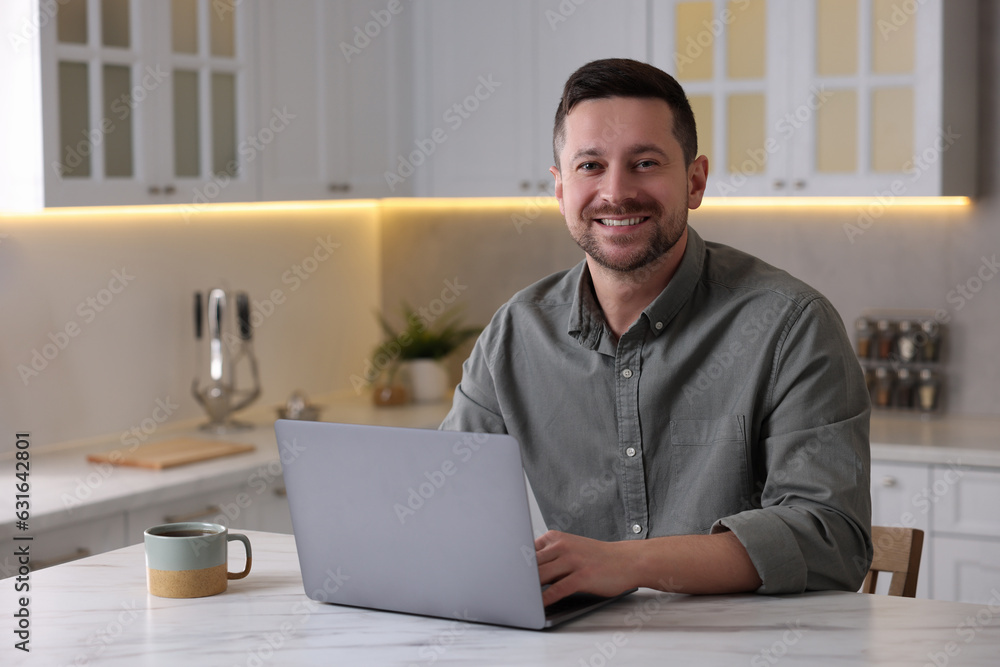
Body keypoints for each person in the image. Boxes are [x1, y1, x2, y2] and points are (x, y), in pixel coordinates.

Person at [440, 58, 872, 606]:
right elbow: (446, 509)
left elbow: (831, 539)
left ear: (695, 182)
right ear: (559, 189)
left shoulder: (791, 325)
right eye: (590, 165)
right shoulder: (514, 334)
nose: (616, 192)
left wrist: (624, 565)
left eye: (645, 163)